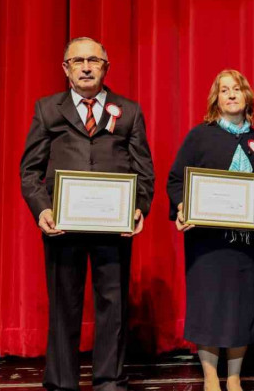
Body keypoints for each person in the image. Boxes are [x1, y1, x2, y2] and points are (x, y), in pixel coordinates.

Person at [20, 37, 155, 391]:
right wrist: (42, 209)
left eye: (93, 60)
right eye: (77, 60)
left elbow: (144, 169)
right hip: (63, 226)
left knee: (113, 306)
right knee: (64, 305)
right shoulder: (48, 109)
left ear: (105, 67)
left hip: (114, 225)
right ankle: (63, 383)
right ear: (65, 69)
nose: (85, 66)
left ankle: (109, 380)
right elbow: (29, 171)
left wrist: (139, 207)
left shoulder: (129, 111)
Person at [167, 69, 254, 391]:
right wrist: (182, 207)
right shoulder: (200, 136)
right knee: (208, 306)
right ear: (216, 98)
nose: (230, 94)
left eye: (237, 89)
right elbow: (176, 180)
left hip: (245, 243)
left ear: (247, 97)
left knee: (241, 308)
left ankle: (236, 377)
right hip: (206, 243)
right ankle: (211, 378)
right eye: (224, 90)